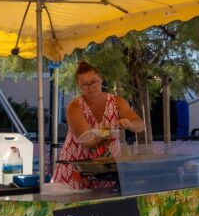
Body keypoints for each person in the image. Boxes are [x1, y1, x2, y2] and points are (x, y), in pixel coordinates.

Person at [51, 61, 145, 189]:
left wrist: (129, 124)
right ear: (79, 86)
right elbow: (88, 142)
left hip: (106, 170)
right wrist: (109, 135)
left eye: (93, 82)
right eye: (85, 85)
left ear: (100, 79)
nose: (90, 87)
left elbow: (140, 125)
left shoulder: (117, 102)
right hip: (75, 169)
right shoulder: (75, 107)